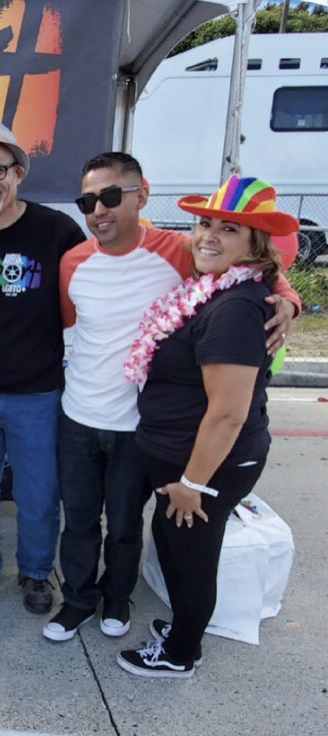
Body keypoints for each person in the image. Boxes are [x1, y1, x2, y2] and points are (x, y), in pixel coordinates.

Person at [46, 153, 299, 643]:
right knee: (77, 522)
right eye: (88, 200)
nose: (100, 209)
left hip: (132, 427)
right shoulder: (73, 262)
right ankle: (77, 600)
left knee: (122, 525)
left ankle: (116, 598)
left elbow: (255, 267)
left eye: (112, 196)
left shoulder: (180, 250)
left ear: (142, 195)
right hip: (77, 416)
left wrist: (289, 299)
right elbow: (69, 325)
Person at [117, 176, 297, 678]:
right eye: (204, 224)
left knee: (192, 553)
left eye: (230, 229)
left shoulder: (238, 309)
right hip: (180, 459)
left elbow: (228, 413)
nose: (208, 237)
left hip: (205, 466)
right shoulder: (213, 288)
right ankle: (184, 630)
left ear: (255, 244)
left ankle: (180, 653)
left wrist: (194, 483)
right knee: (172, 541)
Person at [0, 118, 86, 616]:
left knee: (38, 493)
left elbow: (114, 263)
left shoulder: (58, 230)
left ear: (19, 172)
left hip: (38, 393)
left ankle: (35, 571)